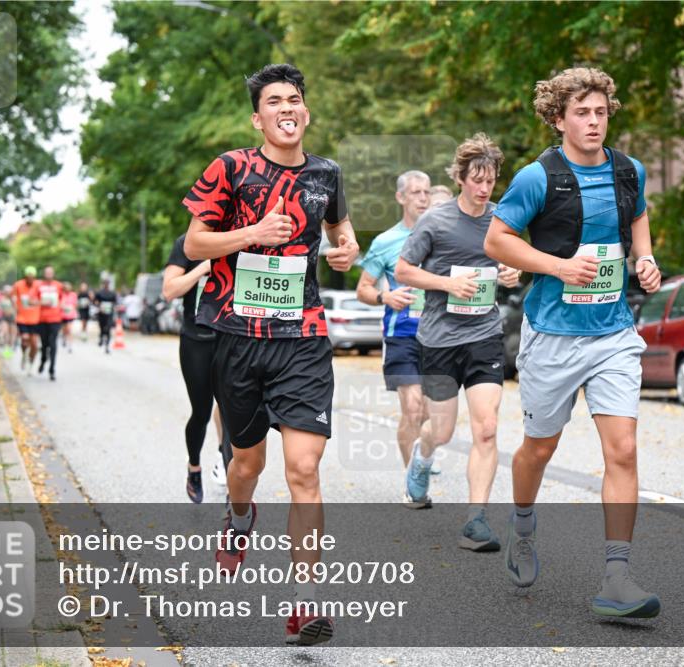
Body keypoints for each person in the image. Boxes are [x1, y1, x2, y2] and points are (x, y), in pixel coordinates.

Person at [182, 63, 358, 646]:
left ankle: (306, 602)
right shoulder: (231, 168)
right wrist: (251, 235)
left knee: (304, 469)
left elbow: (342, 233)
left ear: (306, 112)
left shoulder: (327, 173)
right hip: (237, 338)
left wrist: (345, 251)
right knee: (247, 466)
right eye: (275, 101)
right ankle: (239, 519)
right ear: (258, 119)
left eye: (295, 99)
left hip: (302, 339)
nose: (287, 107)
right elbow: (194, 244)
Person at [484, 67, 662, 617]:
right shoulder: (537, 177)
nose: (593, 121)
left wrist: (645, 259)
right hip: (552, 335)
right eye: (581, 112)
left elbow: (639, 220)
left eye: (600, 112)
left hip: (613, 333)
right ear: (558, 119)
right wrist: (559, 266)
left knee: (623, 449)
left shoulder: (629, 171)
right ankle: (522, 524)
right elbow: (497, 241)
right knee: (539, 448)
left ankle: (617, 577)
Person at [394, 134, 521, 552]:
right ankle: (423, 455)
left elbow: (514, 262)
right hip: (440, 340)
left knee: (487, 428)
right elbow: (404, 271)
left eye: (491, 181)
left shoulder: (502, 219)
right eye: (477, 180)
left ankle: (476, 520)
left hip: (484, 335)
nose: (484, 188)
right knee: (443, 430)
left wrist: (511, 272)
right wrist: (447, 283)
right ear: (461, 178)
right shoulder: (436, 221)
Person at [357, 170, 431, 467]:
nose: (423, 198)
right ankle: (413, 477)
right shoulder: (386, 241)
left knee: (429, 413)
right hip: (401, 335)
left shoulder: (444, 235)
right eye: (416, 192)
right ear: (401, 197)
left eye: (426, 192)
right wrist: (385, 297)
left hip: (438, 335)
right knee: (413, 408)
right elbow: (363, 288)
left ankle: (423, 453)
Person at [163, 234, 233, 503]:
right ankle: (194, 467)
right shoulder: (187, 243)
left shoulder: (240, 235)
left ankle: (232, 477)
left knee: (231, 410)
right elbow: (169, 290)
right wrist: (204, 267)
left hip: (231, 339)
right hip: (196, 341)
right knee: (201, 411)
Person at [36, 266, 64, 381]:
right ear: (44, 274)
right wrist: (41, 302)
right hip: (42, 319)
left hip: (55, 319)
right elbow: (32, 300)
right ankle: (43, 360)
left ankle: (52, 369)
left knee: (53, 344)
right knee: (44, 344)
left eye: (50, 272)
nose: (48, 274)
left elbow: (62, 299)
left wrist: (63, 306)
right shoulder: (38, 285)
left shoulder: (58, 285)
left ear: (53, 274)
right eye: (47, 272)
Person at [13, 267, 41, 374]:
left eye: (32, 277)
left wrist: (36, 302)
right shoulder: (18, 285)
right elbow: (12, 297)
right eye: (28, 276)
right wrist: (15, 306)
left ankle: (31, 362)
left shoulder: (39, 285)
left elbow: (44, 299)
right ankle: (24, 354)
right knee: (25, 339)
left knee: (34, 344)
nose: (30, 279)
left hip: (35, 319)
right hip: (22, 318)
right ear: (25, 277)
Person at [93, 279, 117, 353]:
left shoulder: (112, 293)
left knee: (108, 329)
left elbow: (115, 302)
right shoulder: (99, 293)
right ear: (103, 284)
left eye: (107, 283)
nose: (106, 285)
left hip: (109, 313)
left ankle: (107, 346)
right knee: (102, 327)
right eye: (105, 283)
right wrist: (98, 305)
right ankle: (101, 338)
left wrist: (113, 306)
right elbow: (95, 301)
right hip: (101, 313)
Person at [60, 282, 78, 351]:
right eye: (66, 288)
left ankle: (70, 345)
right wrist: (63, 306)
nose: (67, 289)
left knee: (69, 329)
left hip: (71, 314)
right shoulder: (62, 294)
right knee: (64, 329)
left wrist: (71, 308)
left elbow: (75, 304)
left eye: (68, 287)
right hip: (63, 315)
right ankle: (64, 337)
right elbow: (60, 303)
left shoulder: (73, 294)